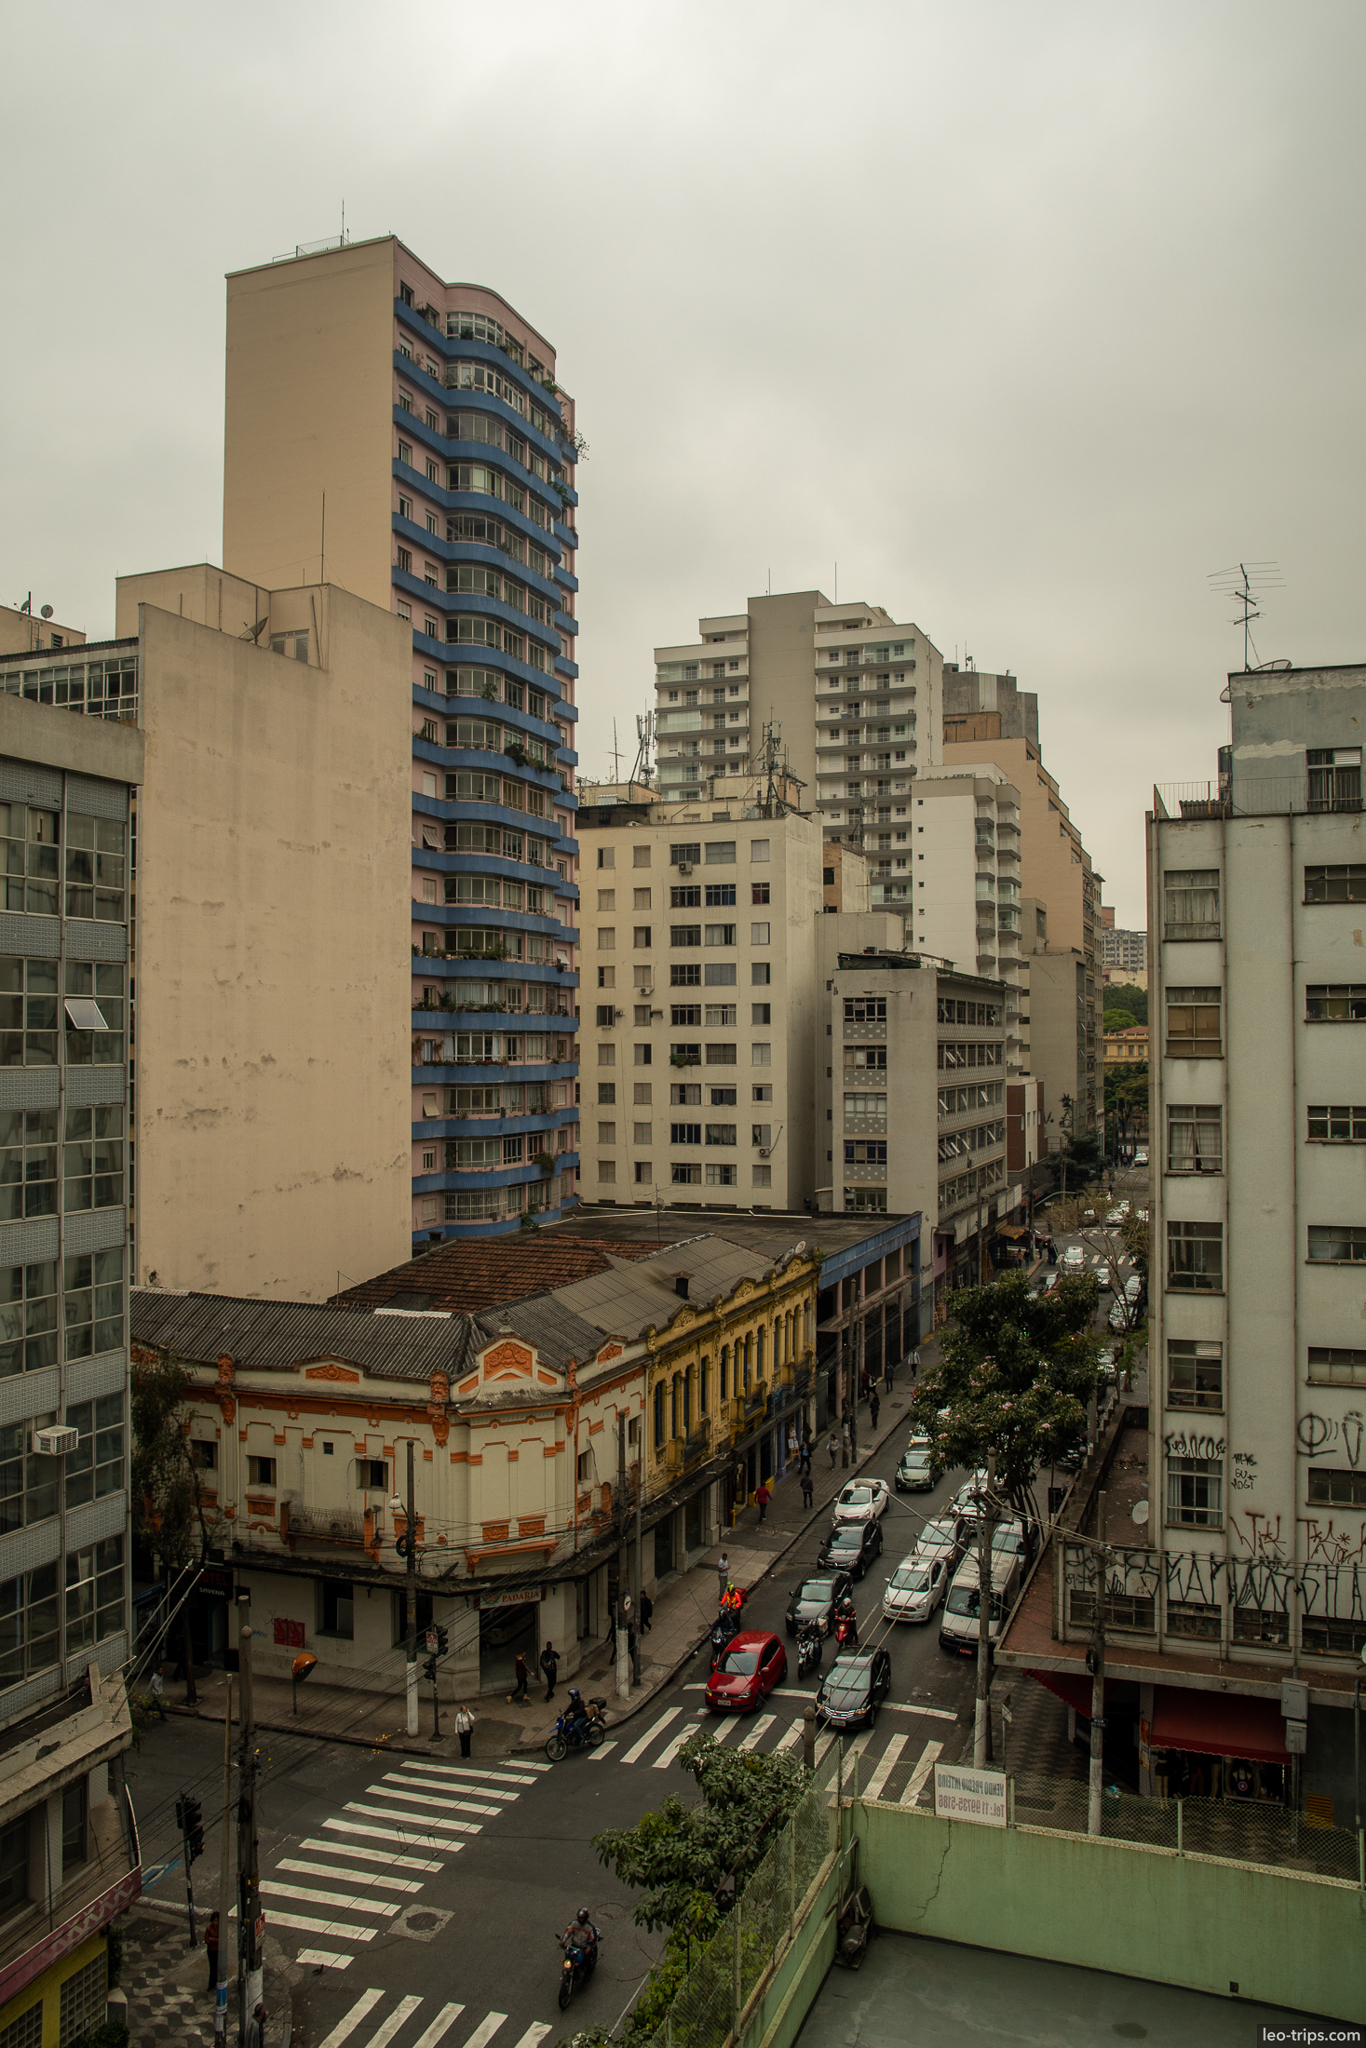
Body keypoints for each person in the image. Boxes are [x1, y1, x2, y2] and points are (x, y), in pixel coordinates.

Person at [204, 1910, 219, 1994]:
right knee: (212, 1967)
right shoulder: (209, 1928)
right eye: (214, 1920)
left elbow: (219, 1940)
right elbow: (206, 1939)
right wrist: (212, 1940)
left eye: (216, 1920)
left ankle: (216, 1983)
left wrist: (212, 1939)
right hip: (211, 1950)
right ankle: (211, 1985)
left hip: (217, 1950)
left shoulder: (220, 1928)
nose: (215, 1922)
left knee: (217, 1967)